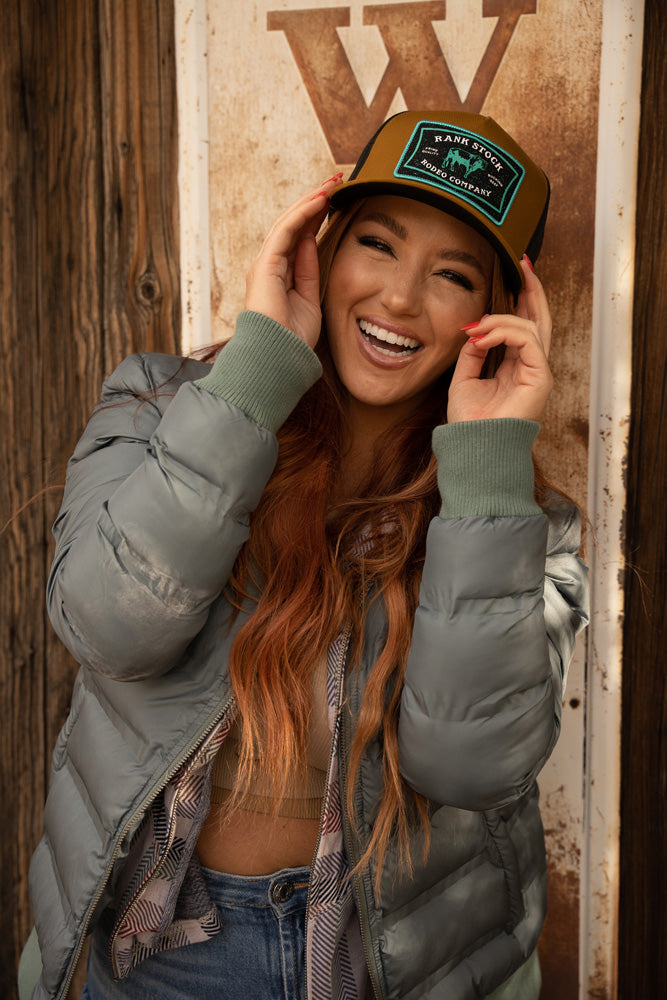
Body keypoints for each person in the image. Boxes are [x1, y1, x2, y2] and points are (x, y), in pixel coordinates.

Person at [20, 110, 588, 1000]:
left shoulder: (520, 522)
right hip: (160, 954)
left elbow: (469, 767)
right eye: (376, 244)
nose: (399, 299)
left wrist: (484, 476)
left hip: (378, 969)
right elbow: (109, 626)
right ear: (320, 249)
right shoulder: (159, 407)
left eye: (450, 275)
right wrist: (258, 369)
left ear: (495, 317)